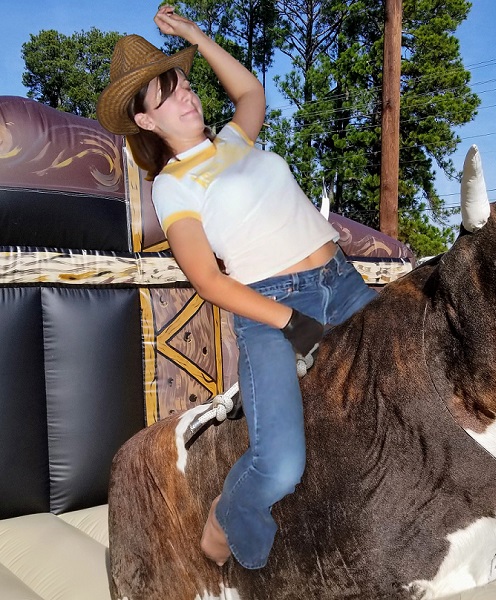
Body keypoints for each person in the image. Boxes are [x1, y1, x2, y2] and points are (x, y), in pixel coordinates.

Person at [96, 5, 376, 570]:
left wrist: (195, 37)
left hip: (339, 279)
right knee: (279, 465)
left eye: (183, 84)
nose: (187, 98)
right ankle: (230, 518)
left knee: (395, 387)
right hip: (271, 305)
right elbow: (206, 278)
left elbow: (250, 93)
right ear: (146, 123)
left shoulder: (234, 141)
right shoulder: (172, 188)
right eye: (168, 96)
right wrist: (291, 323)